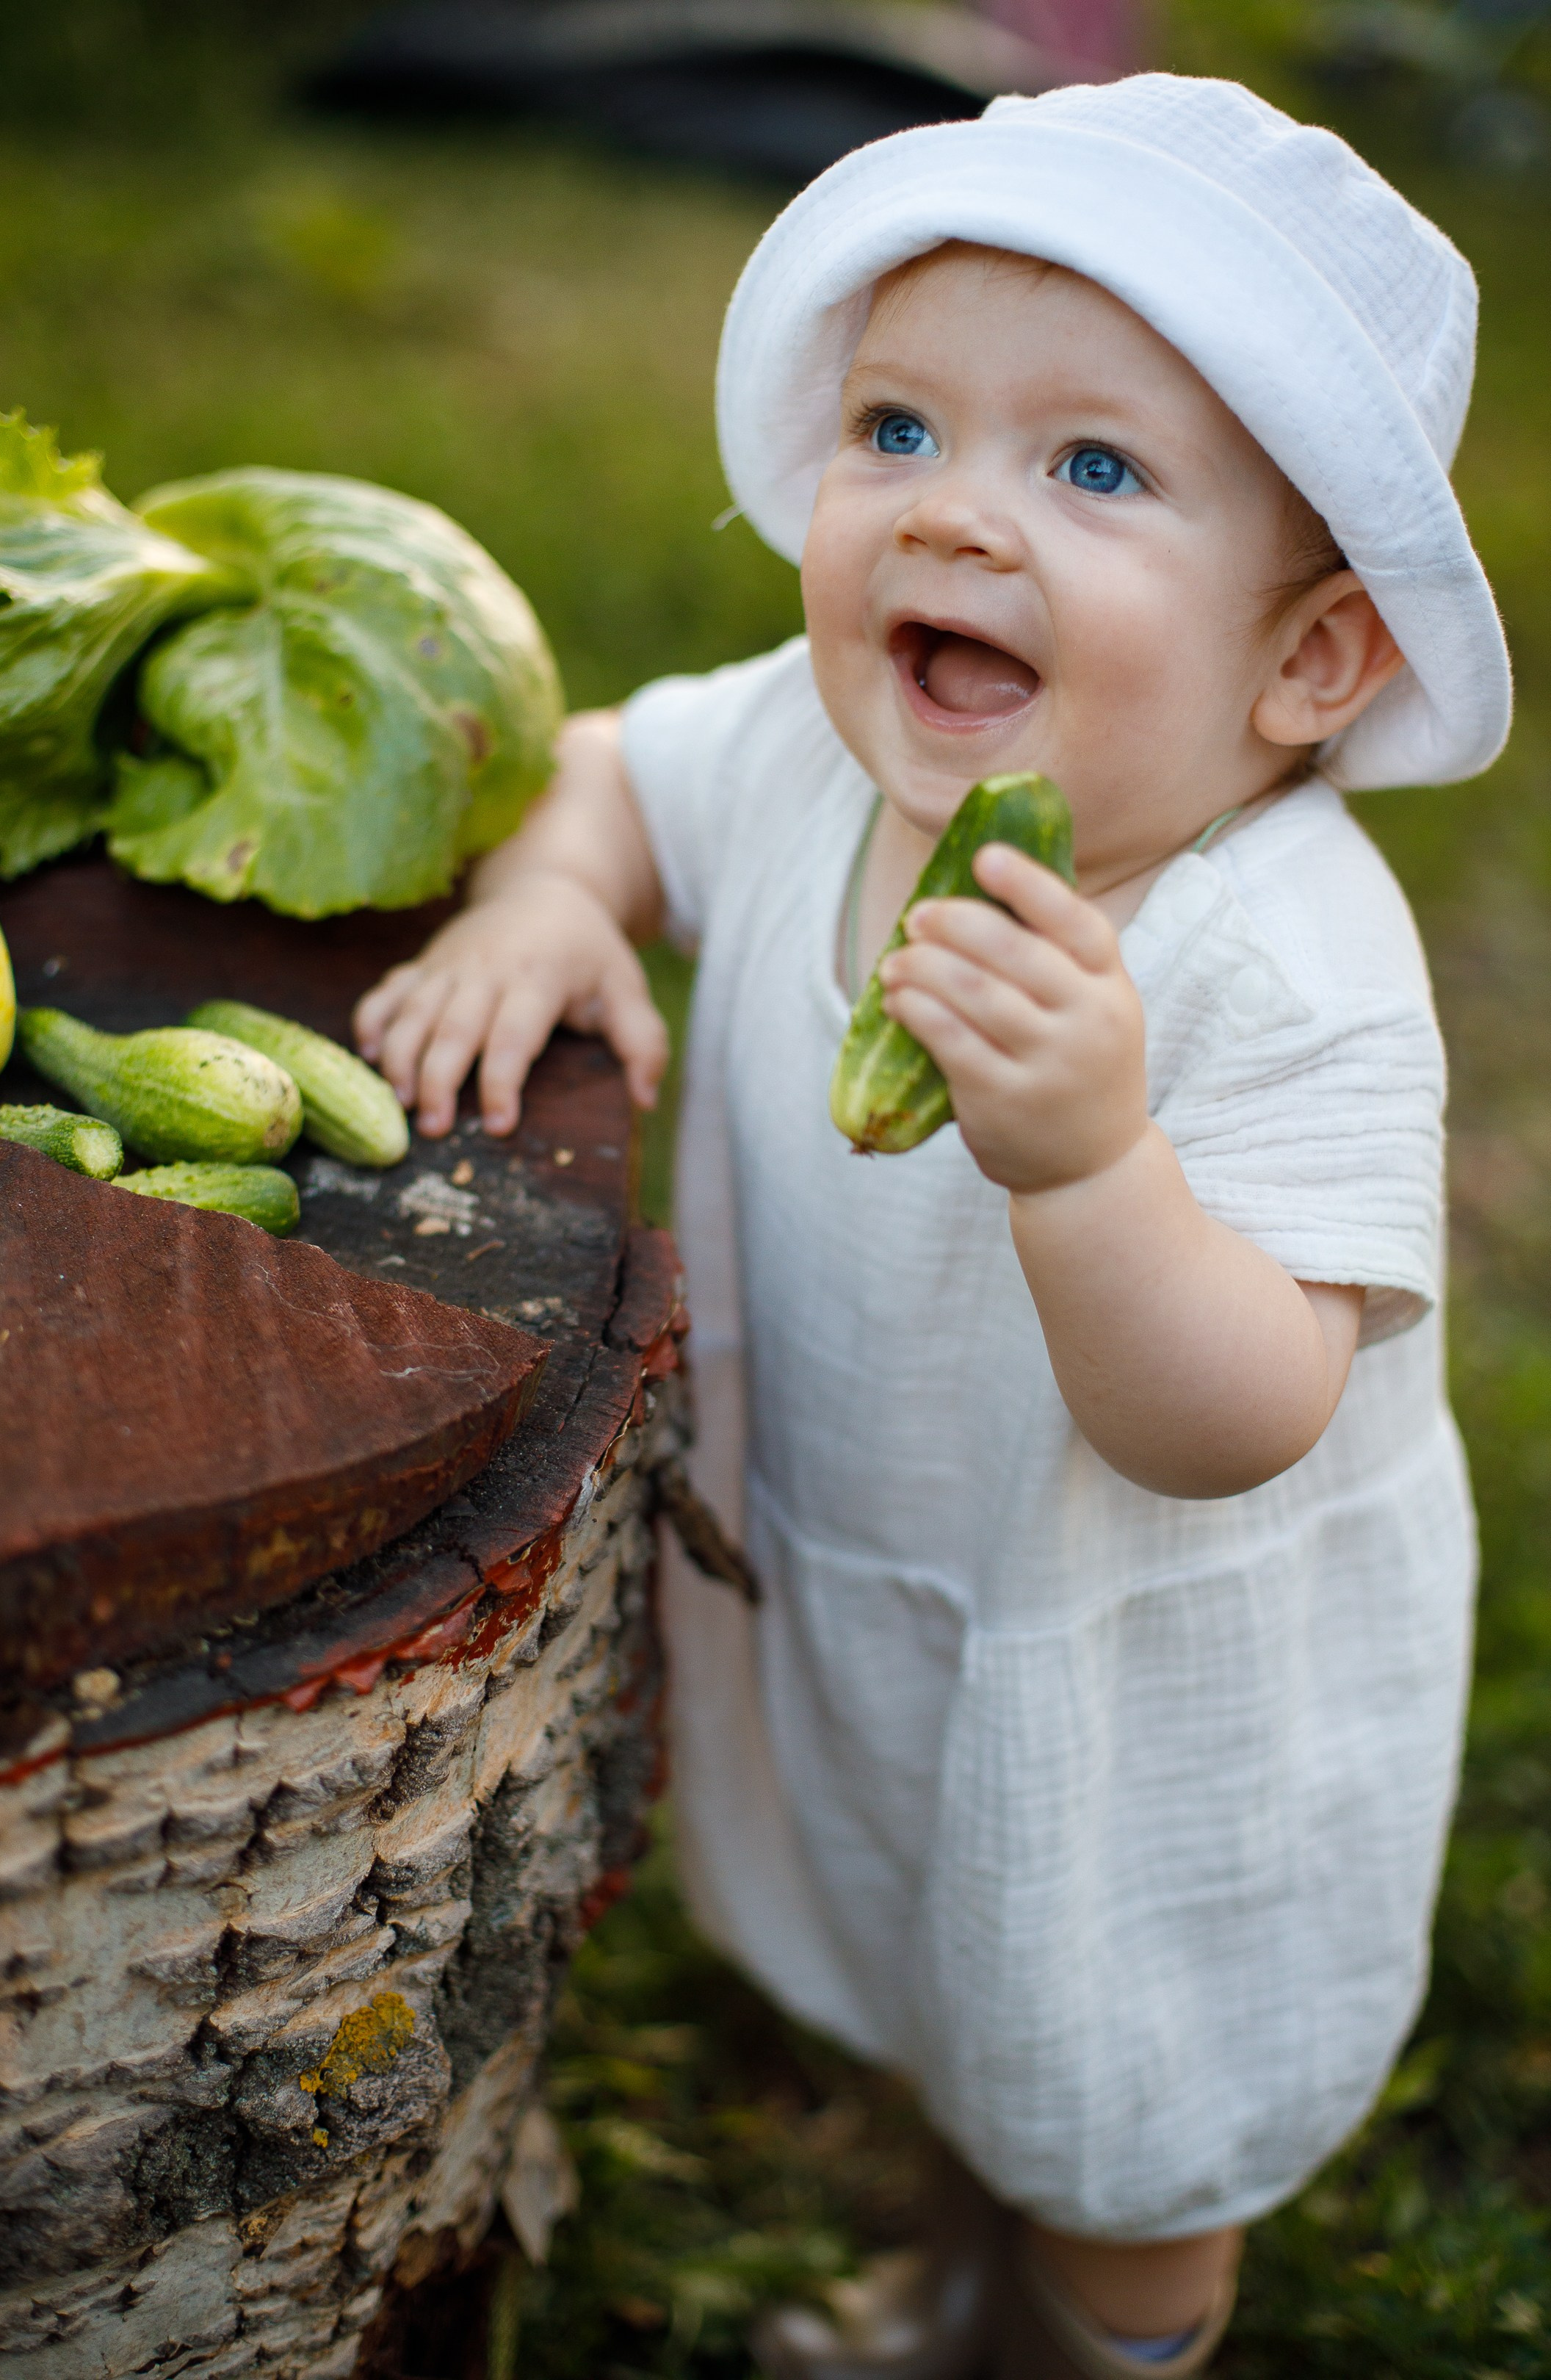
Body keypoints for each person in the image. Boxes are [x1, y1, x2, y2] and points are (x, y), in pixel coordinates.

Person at [355, 76, 1511, 2379]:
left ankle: (1109, 2335)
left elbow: (1241, 1414)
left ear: (1311, 665)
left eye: (1092, 470)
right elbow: (615, 766)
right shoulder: (813, 747)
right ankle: (956, 2275)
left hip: (1145, 1685)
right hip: (887, 1593)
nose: (951, 515)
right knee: (932, 1989)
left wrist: (1094, 1166)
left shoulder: (1278, 962)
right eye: (898, 426)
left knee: (1113, 2126)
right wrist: (560, 898)